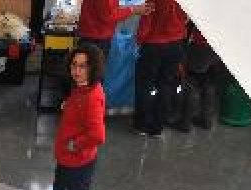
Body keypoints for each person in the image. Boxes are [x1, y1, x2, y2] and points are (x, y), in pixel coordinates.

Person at [22, 43, 107, 190]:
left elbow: (98, 135)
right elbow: (81, 111)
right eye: (74, 65)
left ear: (93, 68)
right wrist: (68, 105)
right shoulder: (87, 88)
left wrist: (74, 144)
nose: (76, 71)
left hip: (74, 164)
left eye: (83, 66)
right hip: (84, 163)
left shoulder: (91, 97)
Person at [131, 0, 187, 137]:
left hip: (153, 44)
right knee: (166, 86)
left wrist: (139, 40)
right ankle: (158, 127)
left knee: (145, 86)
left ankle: (141, 125)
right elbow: (186, 17)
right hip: (176, 43)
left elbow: (147, 17)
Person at [77, 0, 154, 57]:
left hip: (93, 34)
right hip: (96, 37)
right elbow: (109, 15)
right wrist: (132, 10)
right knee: (93, 70)